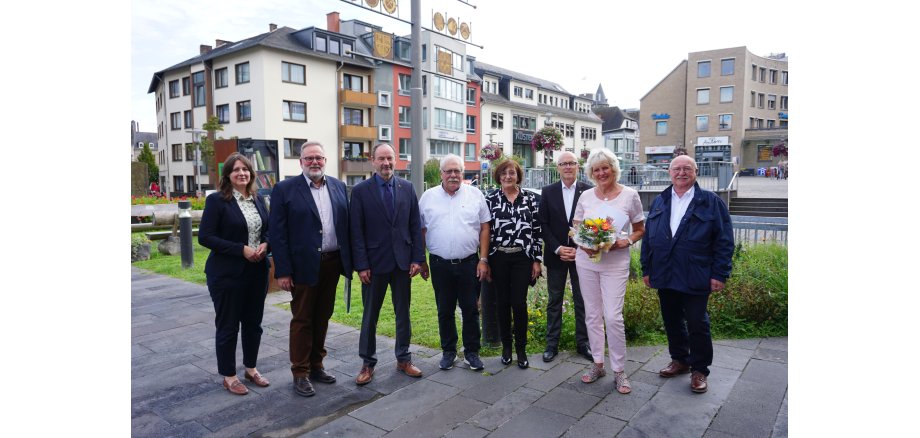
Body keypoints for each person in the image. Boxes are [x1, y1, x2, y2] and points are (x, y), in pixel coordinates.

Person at [640, 154, 734, 394]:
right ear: (669, 173)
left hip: (696, 273)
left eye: (686, 169)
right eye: (676, 169)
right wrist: (647, 268)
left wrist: (719, 274)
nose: (681, 173)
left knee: (696, 322)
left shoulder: (710, 202)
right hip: (665, 271)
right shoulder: (661, 200)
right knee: (671, 319)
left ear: (696, 172)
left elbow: (724, 241)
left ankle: (699, 369)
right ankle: (680, 359)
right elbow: (649, 239)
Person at [268, 141, 353, 397]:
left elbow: (345, 225)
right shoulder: (285, 189)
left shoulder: (338, 186)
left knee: (323, 317)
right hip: (302, 266)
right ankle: (300, 372)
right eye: (309, 158)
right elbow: (278, 233)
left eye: (319, 158)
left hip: (332, 262)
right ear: (301, 162)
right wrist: (282, 271)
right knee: (303, 319)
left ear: (325, 160)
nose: (314, 162)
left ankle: (317, 365)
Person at [350, 143, 425, 385]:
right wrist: (361, 265)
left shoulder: (407, 188)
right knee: (370, 315)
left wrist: (417, 258)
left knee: (403, 313)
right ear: (373, 161)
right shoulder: (361, 191)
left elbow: (415, 226)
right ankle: (367, 363)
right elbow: (356, 232)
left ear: (396, 160)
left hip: (402, 263)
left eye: (390, 158)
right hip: (373, 264)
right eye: (381, 158)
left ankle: (403, 358)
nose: (386, 163)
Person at [572, 148, 645, 395]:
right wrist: (584, 244)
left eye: (606, 168)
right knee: (592, 315)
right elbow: (577, 228)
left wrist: (628, 241)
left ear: (614, 169)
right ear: (591, 173)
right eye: (596, 169)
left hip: (615, 262)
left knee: (613, 316)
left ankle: (620, 370)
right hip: (587, 261)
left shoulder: (630, 196)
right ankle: (598, 364)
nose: (601, 173)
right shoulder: (585, 196)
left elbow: (639, 228)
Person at [198, 153, 271, 396]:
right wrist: (241, 249)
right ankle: (229, 376)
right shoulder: (218, 201)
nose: (242, 173)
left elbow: (268, 230)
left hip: (257, 273)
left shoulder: (258, 199)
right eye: (236, 169)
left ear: (251, 173)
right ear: (228, 175)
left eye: (246, 169)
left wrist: (265, 245)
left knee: (253, 325)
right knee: (228, 325)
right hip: (227, 274)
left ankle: (251, 368)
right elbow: (205, 237)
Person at [418, 154, 491, 371]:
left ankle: (472, 352)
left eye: (457, 171)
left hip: (469, 262)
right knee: (444, 310)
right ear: (441, 174)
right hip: (440, 264)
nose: (453, 175)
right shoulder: (428, 197)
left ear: (462, 172)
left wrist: (484, 259)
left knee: (470, 309)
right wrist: (422, 260)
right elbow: (421, 230)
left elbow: (485, 227)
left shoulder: (475, 195)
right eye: (448, 171)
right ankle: (448, 352)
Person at [535, 151, 593, 363]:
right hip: (556, 255)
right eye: (563, 164)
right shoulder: (548, 192)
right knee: (554, 300)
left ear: (578, 166)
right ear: (557, 168)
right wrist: (558, 248)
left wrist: (581, 247)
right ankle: (552, 345)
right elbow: (543, 224)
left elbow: (593, 223)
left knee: (582, 300)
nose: (568, 167)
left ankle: (583, 343)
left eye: (572, 163)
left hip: (583, 255)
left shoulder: (589, 191)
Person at [485, 159, 542, 369]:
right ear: (498, 176)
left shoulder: (530, 199)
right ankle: (506, 347)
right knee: (502, 303)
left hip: (522, 258)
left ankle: (521, 349)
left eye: (512, 173)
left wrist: (537, 259)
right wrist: (485, 260)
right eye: (503, 173)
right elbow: (485, 231)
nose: (507, 177)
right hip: (498, 257)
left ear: (518, 176)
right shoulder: (490, 199)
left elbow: (537, 231)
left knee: (519, 303)